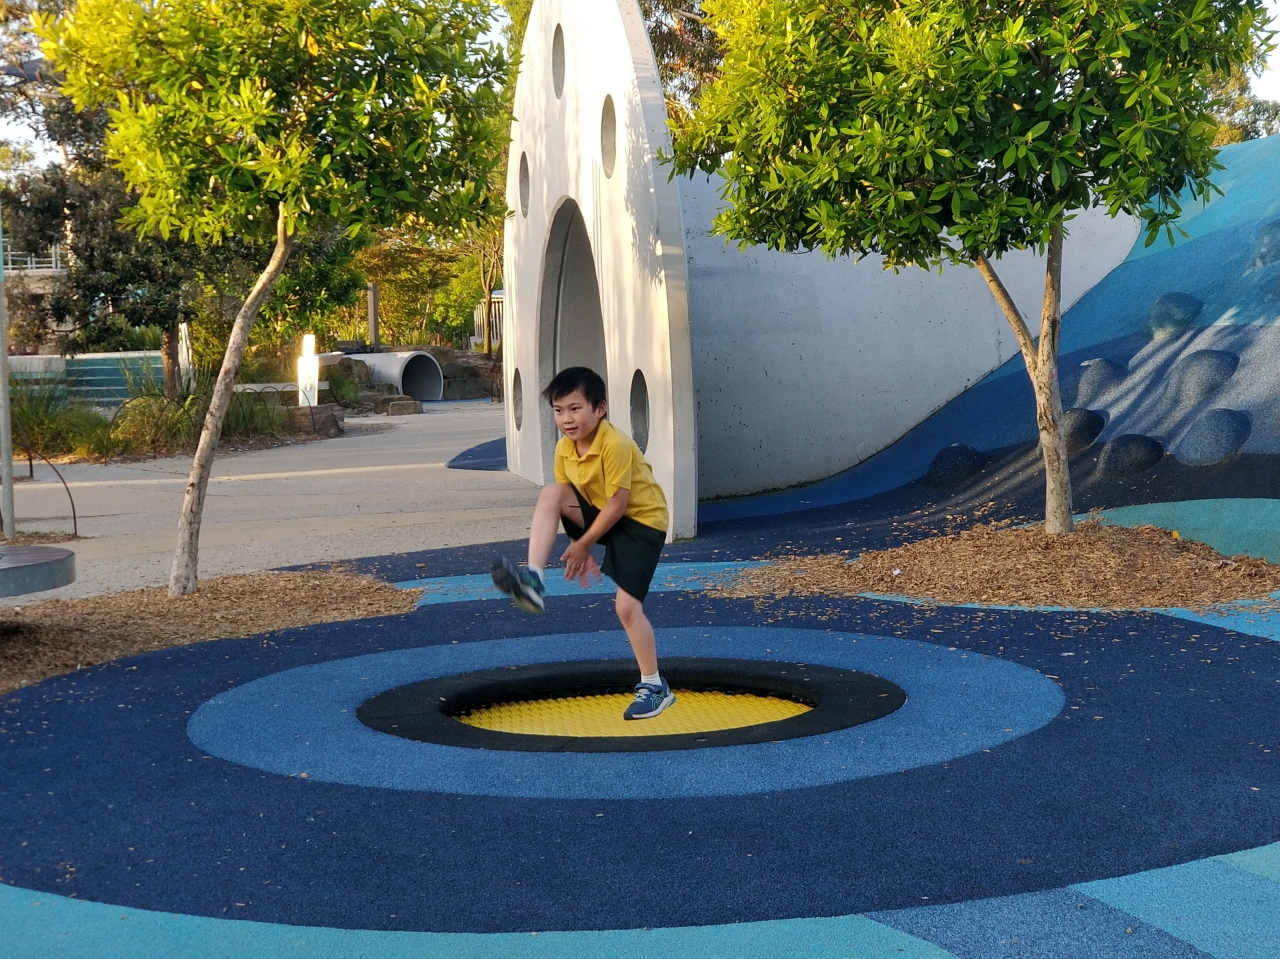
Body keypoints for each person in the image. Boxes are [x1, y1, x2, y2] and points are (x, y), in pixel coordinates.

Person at [491, 366, 674, 720]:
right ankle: (533, 579)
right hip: (604, 515)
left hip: (642, 523)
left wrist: (583, 544)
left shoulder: (615, 445)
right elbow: (570, 499)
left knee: (626, 608)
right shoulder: (564, 449)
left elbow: (618, 506)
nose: (566, 419)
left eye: (575, 409)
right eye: (558, 410)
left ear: (600, 408)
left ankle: (655, 686)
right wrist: (580, 541)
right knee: (552, 492)